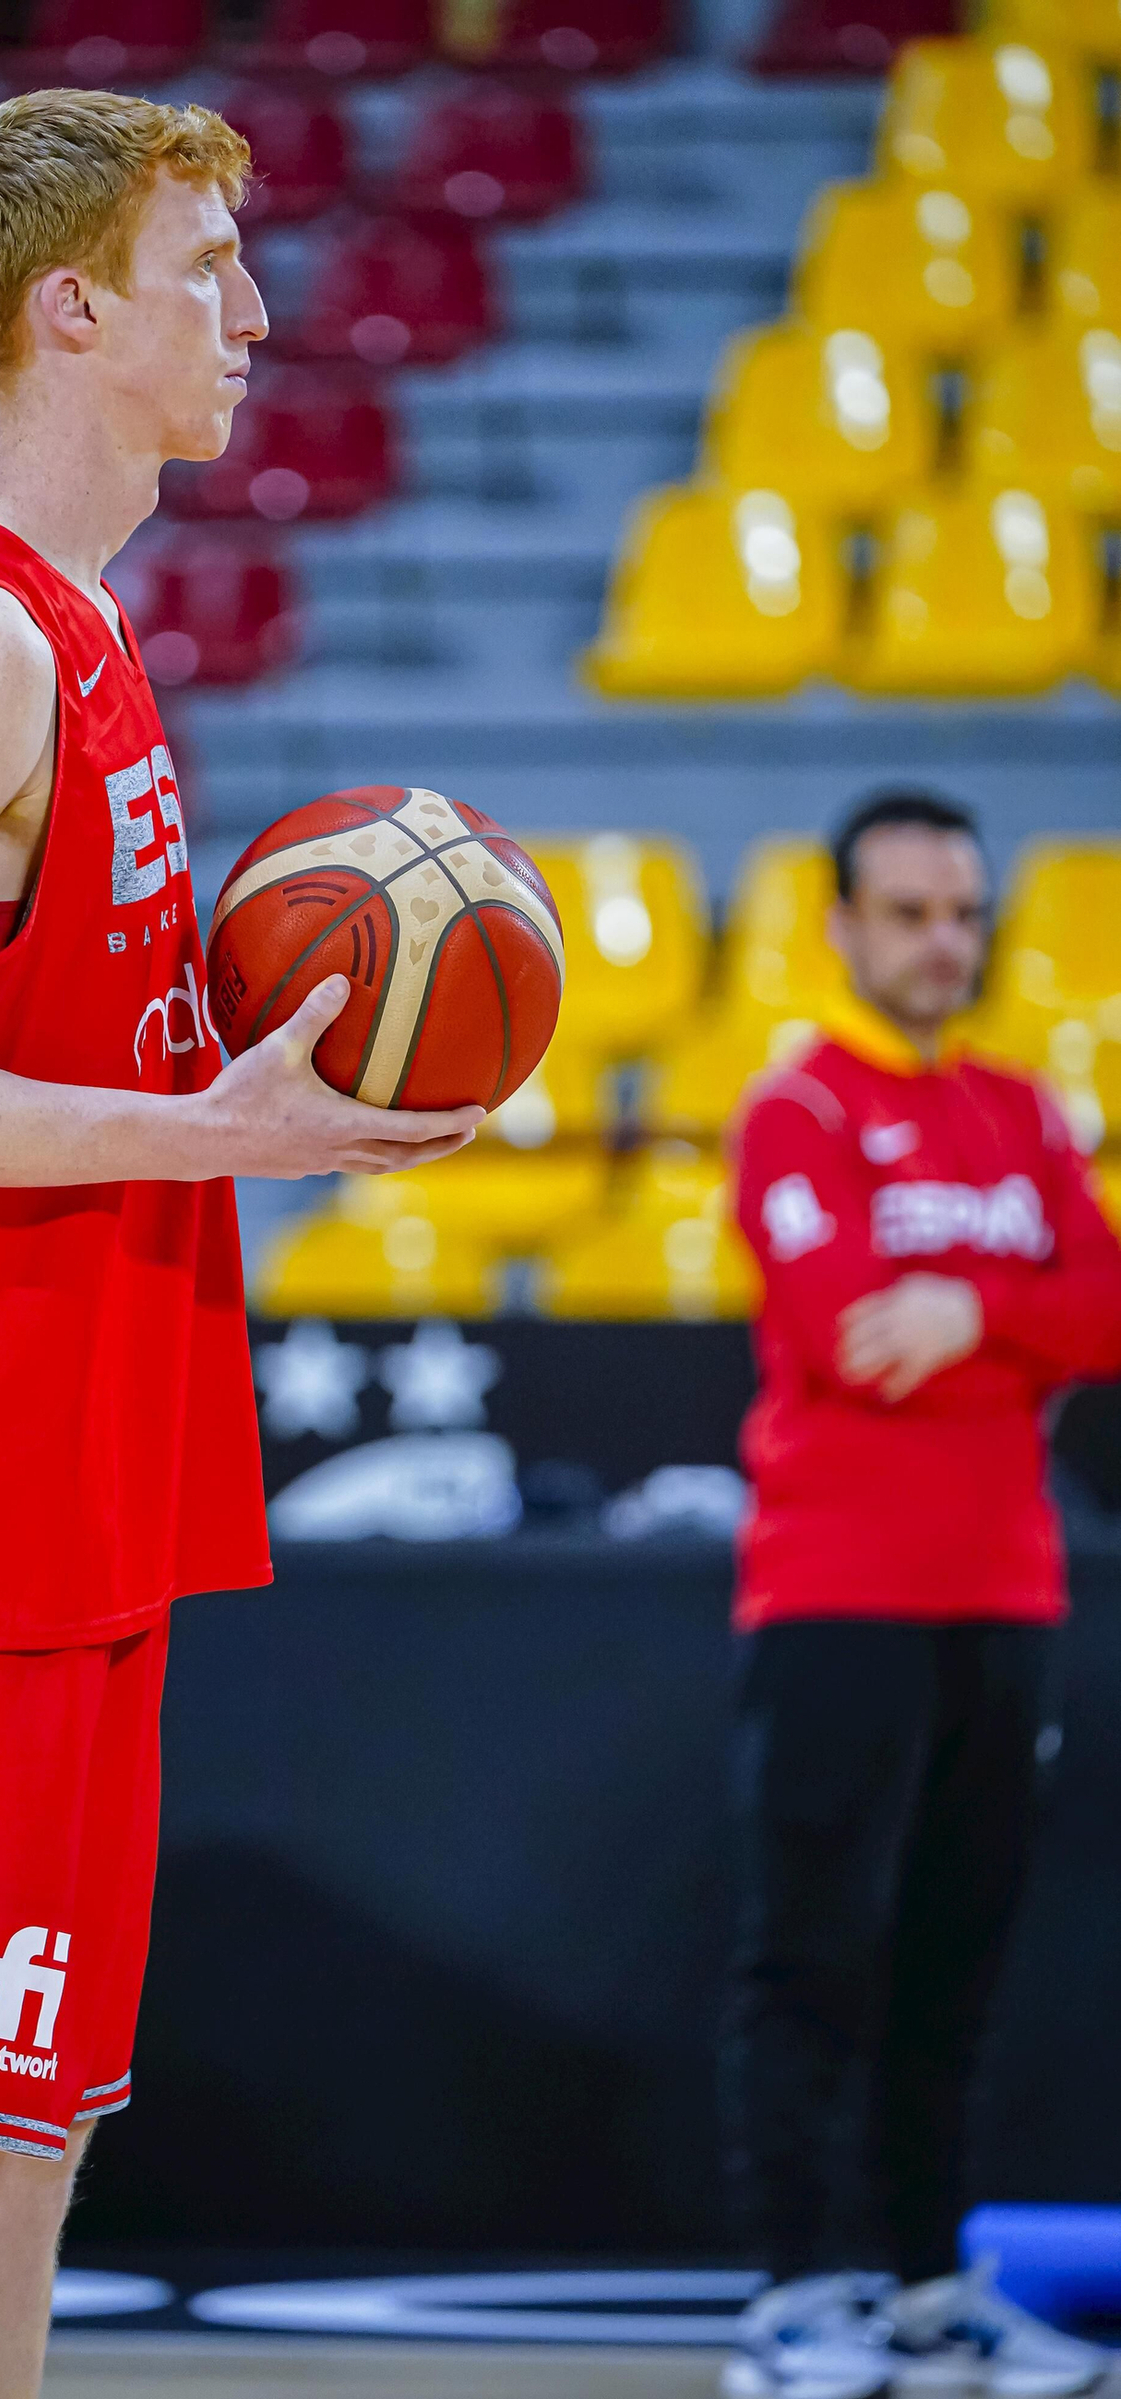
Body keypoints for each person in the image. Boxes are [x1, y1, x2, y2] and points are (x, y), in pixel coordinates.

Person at [0, 89, 482, 2399]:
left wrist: (248, 1091)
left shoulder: (80, 628)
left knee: (11, 2142)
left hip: (59, 1504)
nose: (251, 313)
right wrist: (204, 1126)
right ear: (67, 311)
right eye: (200, 273)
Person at [720, 790, 1121, 2399]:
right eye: (908, 912)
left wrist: (963, 1306)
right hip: (832, 1589)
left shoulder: (1028, 1114)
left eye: (962, 913)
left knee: (955, 1952)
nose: (941, 941)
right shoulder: (794, 1110)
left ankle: (929, 2283)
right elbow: (838, 1330)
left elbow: (1108, 1311)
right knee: (811, 1945)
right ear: (841, 926)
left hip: (1004, 1591)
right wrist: (1010, 1308)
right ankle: (800, 2291)